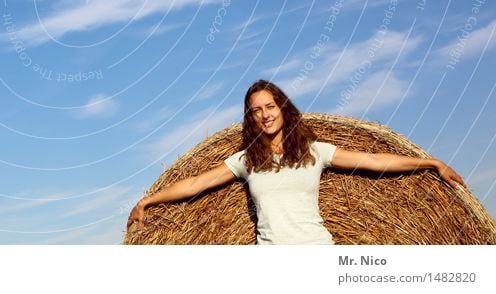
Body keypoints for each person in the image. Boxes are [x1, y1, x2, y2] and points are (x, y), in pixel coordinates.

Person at [126, 79, 465, 244]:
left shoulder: (315, 152)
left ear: (282, 108)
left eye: (270, 107)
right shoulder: (247, 161)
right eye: (256, 110)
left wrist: (430, 163)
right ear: (251, 118)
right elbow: (197, 183)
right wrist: (149, 199)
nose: (265, 115)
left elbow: (373, 159)